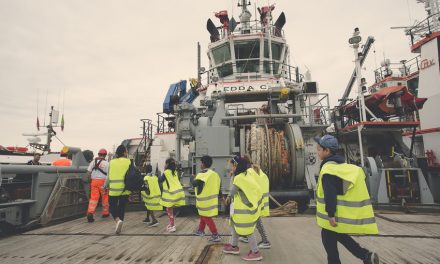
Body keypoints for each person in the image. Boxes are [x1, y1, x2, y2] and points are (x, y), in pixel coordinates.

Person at [315, 135, 379, 264]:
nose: (317, 152)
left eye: (319, 149)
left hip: (334, 214)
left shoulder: (329, 170)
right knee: (337, 235)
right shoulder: (341, 165)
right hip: (341, 212)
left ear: (327, 151)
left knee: (328, 239)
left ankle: (364, 256)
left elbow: (330, 194)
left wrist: (331, 214)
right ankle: (366, 256)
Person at [223, 156, 263, 261]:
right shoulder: (246, 174)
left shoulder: (239, 178)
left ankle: (256, 252)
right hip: (243, 208)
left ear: (236, 166)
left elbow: (232, 191)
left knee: (248, 231)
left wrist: (227, 199)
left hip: (244, 210)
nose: (230, 167)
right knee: (234, 226)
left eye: (231, 166)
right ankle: (234, 246)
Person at [241, 154, 271, 249]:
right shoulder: (255, 169)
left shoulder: (249, 172)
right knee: (252, 220)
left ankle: (266, 241)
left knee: (257, 221)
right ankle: (245, 236)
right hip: (258, 200)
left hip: (255, 201)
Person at [191, 155, 221, 242]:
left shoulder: (202, 174)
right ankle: (200, 230)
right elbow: (219, 187)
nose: (200, 164)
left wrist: (192, 177)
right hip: (212, 200)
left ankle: (215, 235)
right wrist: (222, 197)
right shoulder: (215, 174)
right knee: (203, 215)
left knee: (206, 217)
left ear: (203, 164)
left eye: (201, 162)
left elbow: (194, 184)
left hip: (204, 201)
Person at [104, 145, 131, 234]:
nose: (127, 153)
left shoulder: (111, 162)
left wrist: (105, 186)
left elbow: (108, 177)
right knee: (122, 207)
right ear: (124, 153)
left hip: (113, 188)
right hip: (125, 188)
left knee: (112, 206)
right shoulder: (129, 162)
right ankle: (120, 224)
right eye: (126, 151)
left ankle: (117, 220)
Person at [159, 158, 186, 233]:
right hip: (179, 193)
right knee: (170, 209)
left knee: (169, 210)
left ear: (167, 164)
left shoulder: (166, 172)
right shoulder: (175, 172)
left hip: (171, 194)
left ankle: (173, 225)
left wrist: (163, 171)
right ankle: (171, 224)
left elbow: (160, 180)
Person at [86, 148, 110, 222]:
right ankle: (105, 213)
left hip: (94, 182)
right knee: (105, 198)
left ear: (98, 154)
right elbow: (109, 175)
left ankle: (90, 212)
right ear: (105, 155)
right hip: (103, 182)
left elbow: (88, 172)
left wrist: (89, 180)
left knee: (93, 199)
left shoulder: (93, 162)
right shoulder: (107, 163)